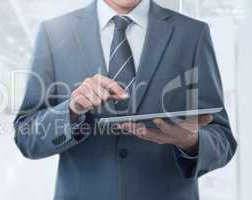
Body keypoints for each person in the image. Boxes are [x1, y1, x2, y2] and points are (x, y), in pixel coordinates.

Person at [14, 0, 237, 199]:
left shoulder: (191, 34)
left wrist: (190, 141)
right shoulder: (53, 33)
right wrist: (71, 111)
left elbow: (222, 138)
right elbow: (27, 137)